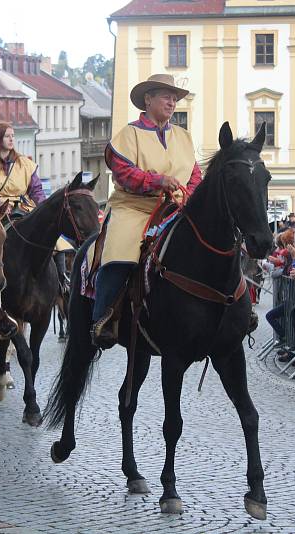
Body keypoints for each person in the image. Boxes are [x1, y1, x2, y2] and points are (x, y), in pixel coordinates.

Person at [91, 73, 203, 348]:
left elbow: (195, 173)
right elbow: (124, 172)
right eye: (166, 95)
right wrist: (157, 180)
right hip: (135, 207)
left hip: (176, 208)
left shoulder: (183, 136)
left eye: (175, 97)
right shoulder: (129, 134)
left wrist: (189, 195)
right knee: (120, 252)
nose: (172, 101)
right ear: (148, 99)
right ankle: (103, 317)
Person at [0, 121, 45, 213]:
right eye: (7, 136)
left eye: (13, 136)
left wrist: (44, 207)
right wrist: (0, 205)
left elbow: (36, 190)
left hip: (24, 209)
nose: (11, 139)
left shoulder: (25, 163)